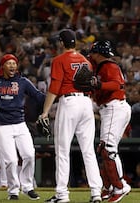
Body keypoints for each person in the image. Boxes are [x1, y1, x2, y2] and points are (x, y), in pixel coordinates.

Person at [39, 29, 102, 203]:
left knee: (62, 150)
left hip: (69, 103)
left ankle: (62, 195)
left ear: (61, 43)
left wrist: (45, 111)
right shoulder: (85, 61)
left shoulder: (59, 60)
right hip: (86, 104)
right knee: (88, 151)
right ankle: (96, 193)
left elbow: (54, 88)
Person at [0, 54, 44, 201]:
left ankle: (28, 187)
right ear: (2, 65)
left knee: (29, 154)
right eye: (9, 63)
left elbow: (38, 96)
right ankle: (13, 191)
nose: (12, 66)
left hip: (20, 123)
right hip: (1, 126)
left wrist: (55, 97)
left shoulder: (22, 81)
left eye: (14, 63)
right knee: (10, 160)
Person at [88, 40, 132, 202]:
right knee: (103, 149)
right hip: (111, 108)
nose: (90, 56)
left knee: (108, 149)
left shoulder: (109, 65)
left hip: (114, 107)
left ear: (98, 53)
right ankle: (109, 187)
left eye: (92, 53)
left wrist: (99, 84)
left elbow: (117, 84)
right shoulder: (101, 67)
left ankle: (120, 187)